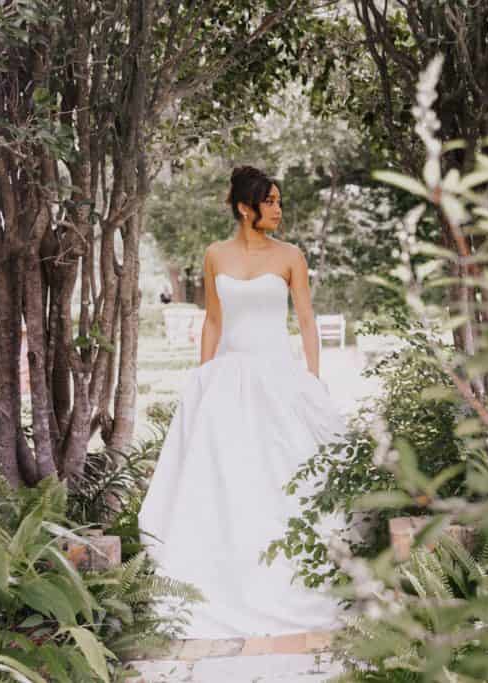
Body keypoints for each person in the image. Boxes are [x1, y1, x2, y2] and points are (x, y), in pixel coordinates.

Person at [138, 165, 346, 639]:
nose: (278, 209)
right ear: (244, 208)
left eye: (278, 201)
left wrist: (312, 379)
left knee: (283, 480)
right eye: (270, 202)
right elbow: (213, 320)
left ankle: (293, 580)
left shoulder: (291, 256)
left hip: (277, 378)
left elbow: (307, 322)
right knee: (223, 480)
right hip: (227, 380)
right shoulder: (215, 255)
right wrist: (201, 376)